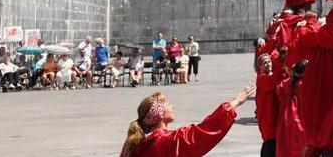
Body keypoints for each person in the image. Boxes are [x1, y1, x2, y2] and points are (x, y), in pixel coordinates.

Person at [118, 84, 255, 157]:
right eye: (168, 104)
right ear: (160, 114)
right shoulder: (167, 140)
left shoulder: (138, 144)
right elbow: (203, 131)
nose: (172, 106)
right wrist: (235, 102)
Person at [253, 54, 278, 157]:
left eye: (269, 61)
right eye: (265, 63)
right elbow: (273, 81)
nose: (268, 64)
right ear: (260, 67)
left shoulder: (269, 76)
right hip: (268, 119)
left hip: (274, 116)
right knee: (270, 143)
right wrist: (284, 67)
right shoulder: (262, 79)